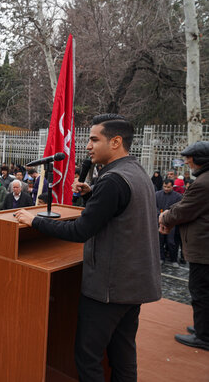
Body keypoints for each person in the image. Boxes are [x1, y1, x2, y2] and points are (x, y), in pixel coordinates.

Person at [15, 114, 162, 380]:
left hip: (109, 287)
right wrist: (91, 194)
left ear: (115, 142)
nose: (88, 146)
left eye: (95, 139)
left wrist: (34, 220)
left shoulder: (112, 180)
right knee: (123, 355)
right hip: (134, 283)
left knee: (88, 357)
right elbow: (122, 210)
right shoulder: (136, 171)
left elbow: (80, 230)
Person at [159, 141, 209, 351]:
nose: (187, 162)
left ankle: (204, 336)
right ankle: (203, 327)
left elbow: (184, 211)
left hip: (203, 248)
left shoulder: (203, 183)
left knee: (200, 291)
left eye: (189, 158)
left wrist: (164, 216)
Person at [155, 179, 182, 266]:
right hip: (159, 221)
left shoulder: (178, 196)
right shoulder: (157, 194)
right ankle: (161, 258)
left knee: (171, 242)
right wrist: (160, 214)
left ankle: (174, 259)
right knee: (160, 241)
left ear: (172, 186)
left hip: (172, 222)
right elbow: (154, 206)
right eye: (165, 187)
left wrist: (168, 214)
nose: (166, 189)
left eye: (168, 187)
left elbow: (179, 208)